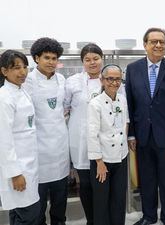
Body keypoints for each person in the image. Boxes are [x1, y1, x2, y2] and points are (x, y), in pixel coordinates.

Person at [126, 27, 165, 225]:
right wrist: (131, 135)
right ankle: (149, 216)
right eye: (153, 41)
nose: (158, 45)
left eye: (162, 41)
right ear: (145, 45)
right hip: (143, 138)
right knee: (147, 181)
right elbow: (130, 104)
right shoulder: (133, 69)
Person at [23, 37, 70, 225]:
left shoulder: (61, 79)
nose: (51, 62)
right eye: (47, 58)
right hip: (38, 150)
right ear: (36, 58)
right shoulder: (27, 81)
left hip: (60, 148)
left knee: (60, 202)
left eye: (54, 58)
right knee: (39, 204)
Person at [64, 43, 104, 225]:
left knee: (102, 185)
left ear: (101, 59)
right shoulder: (72, 82)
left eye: (95, 58)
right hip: (79, 141)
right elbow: (64, 109)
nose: (92, 62)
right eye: (87, 60)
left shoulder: (110, 79)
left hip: (103, 142)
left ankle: (104, 219)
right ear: (82, 62)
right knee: (86, 185)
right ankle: (91, 220)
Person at [0, 50, 40, 225]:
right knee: (28, 214)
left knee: (19, 213)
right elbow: (4, 139)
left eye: (25, 67)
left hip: (28, 163)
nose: (22, 72)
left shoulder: (21, 91)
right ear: (4, 71)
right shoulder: (4, 97)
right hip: (18, 168)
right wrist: (15, 173)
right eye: (16, 68)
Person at [87, 64, 129, 225]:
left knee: (119, 199)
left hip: (121, 156)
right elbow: (92, 134)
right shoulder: (95, 104)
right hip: (102, 159)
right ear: (102, 80)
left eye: (117, 79)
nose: (114, 82)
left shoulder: (122, 100)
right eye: (110, 79)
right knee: (101, 201)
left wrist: (124, 145)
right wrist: (99, 162)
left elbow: (125, 122)